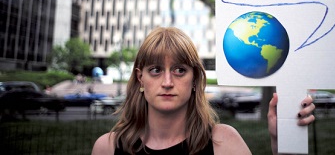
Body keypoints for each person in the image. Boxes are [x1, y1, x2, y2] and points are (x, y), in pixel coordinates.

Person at [92, 27, 315, 155]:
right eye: (156, 70)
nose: (167, 82)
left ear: (195, 79)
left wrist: (281, 142)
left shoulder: (223, 142)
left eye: (180, 70)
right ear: (141, 78)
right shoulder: (107, 147)